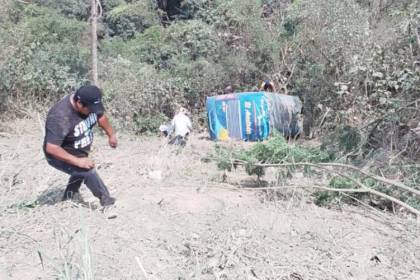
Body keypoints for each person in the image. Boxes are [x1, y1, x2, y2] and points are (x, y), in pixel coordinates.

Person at [43, 85, 117, 207]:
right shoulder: (59, 116)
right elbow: (51, 147)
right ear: (79, 103)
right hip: (59, 155)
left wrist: (111, 135)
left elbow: (101, 117)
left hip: (78, 151)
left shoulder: (90, 102)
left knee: (79, 171)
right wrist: (78, 161)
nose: (93, 111)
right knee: (86, 170)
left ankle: (68, 199)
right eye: (90, 109)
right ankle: (107, 202)